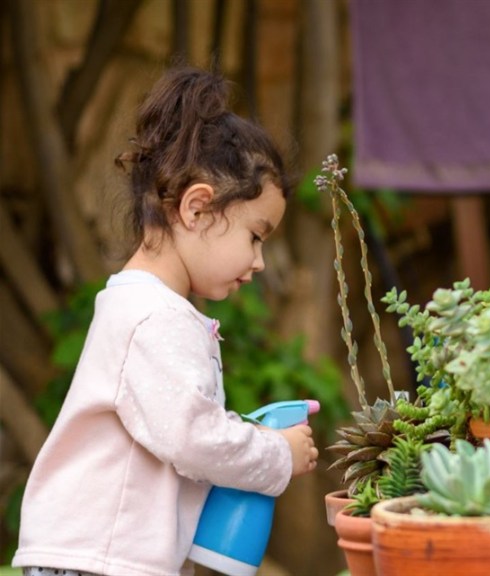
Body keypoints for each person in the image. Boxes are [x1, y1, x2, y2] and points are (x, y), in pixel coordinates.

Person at [13, 66, 318, 576]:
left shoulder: (149, 308)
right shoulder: (155, 316)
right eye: (255, 236)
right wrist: (275, 454)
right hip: (99, 563)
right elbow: (192, 439)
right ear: (197, 210)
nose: (259, 263)